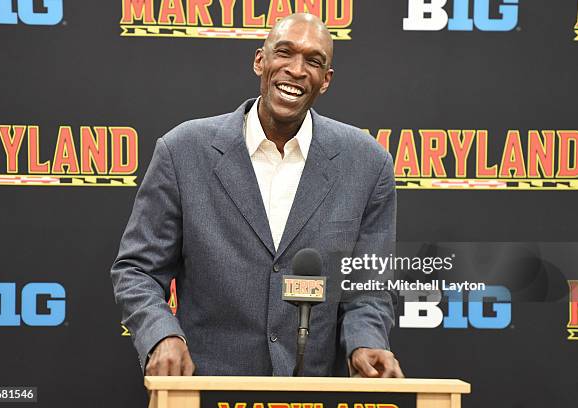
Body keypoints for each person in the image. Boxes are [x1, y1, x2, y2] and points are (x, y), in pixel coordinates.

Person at [111, 13, 403, 378]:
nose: (296, 69)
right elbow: (137, 270)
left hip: (313, 394)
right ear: (259, 60)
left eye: (313, 61)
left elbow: (368, 287)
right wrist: (162, 336)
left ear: (325, 81)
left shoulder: (368, 163)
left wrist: (366, 341)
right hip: (204, 388)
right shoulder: (182, 150)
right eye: (284, 53)